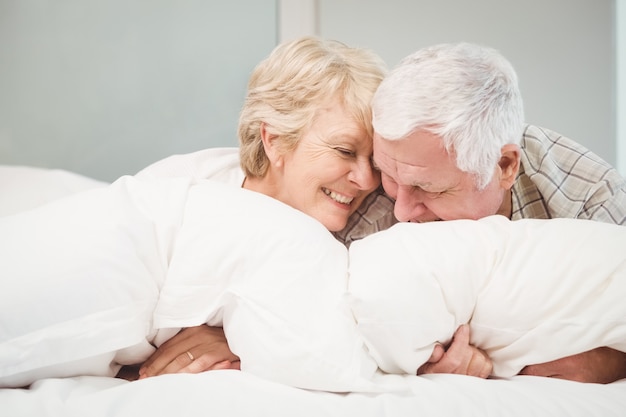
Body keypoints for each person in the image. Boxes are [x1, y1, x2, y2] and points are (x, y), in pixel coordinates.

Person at [135, 38, 495, 381]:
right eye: (344, 151)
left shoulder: (387, 222)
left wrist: (239, 338)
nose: (366, 180)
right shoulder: (182, 192)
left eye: (375, 161)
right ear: (274, 139)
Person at [357, 41, 625, 383]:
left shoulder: (591, 198)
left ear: (504, 166)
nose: (401, 211)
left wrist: (613, 363)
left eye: (432, 190)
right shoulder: (371, 183)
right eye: (389, 177)